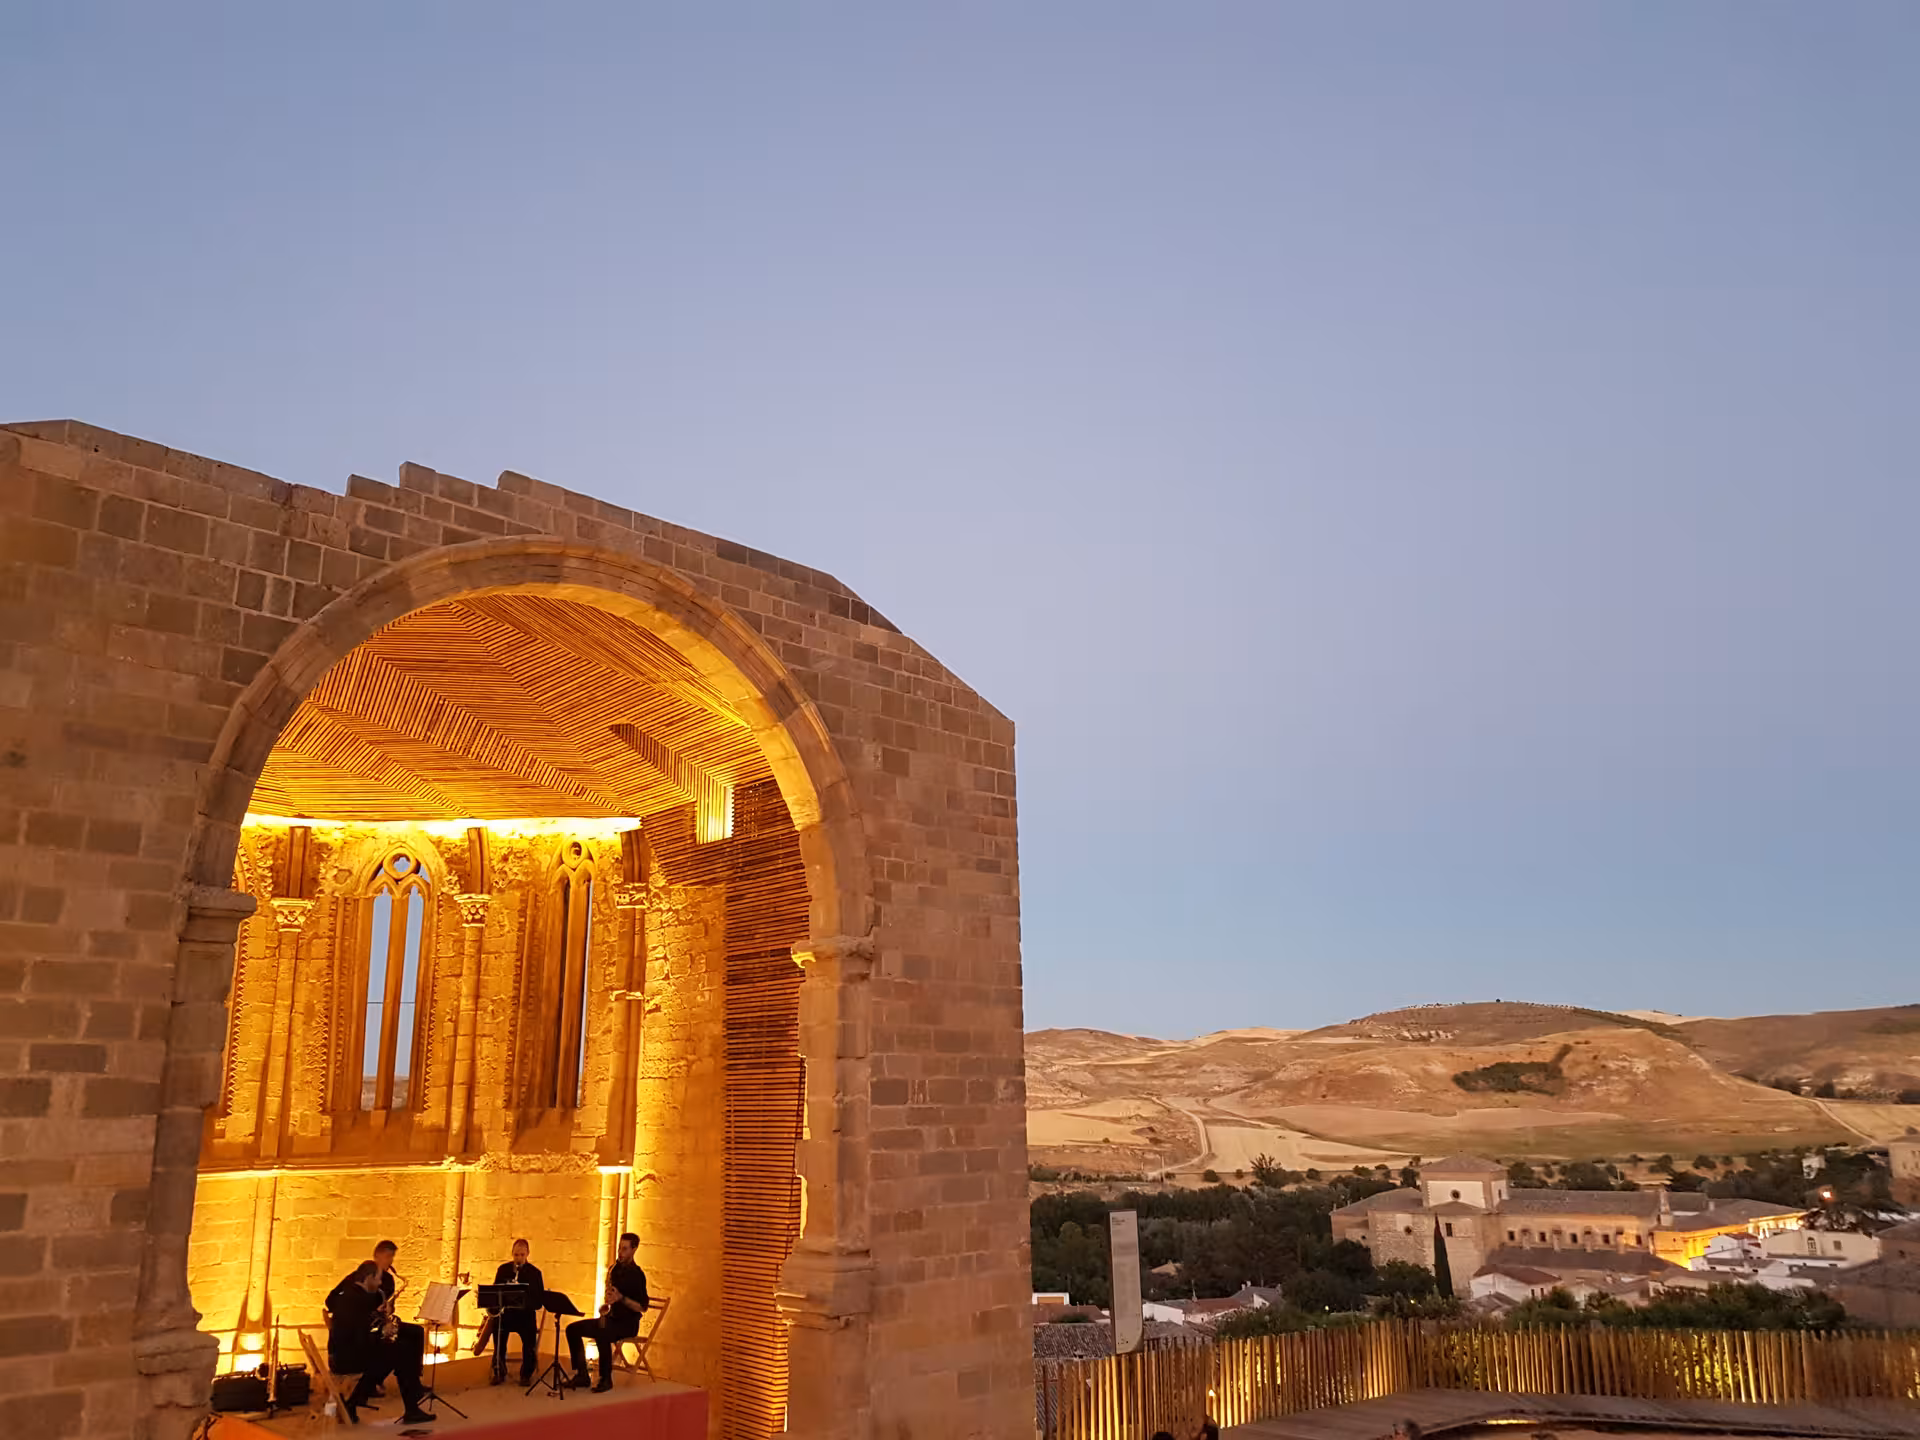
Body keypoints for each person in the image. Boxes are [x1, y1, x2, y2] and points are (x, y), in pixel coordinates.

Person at [325, 1261, 434, 1425]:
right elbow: (354, 1334)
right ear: (368, 1278)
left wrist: (376, 1315)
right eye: (377, 1279)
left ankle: (357, 1400)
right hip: (346, 1358)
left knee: (397, 1348)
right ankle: (410, 1408)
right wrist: (382, 1332)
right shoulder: (352, 1299)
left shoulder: (352, 1295)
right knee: (400, 1350)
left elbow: (358, 1324)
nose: (380, 1283)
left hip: (349, 1350)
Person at [566, 1232, 649, 1393]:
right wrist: (608, 1300)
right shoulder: (615, 1269)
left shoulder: (637, 1275)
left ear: (634, 1250)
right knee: (572, 1329)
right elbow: (610, 1293)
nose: (620, 1252)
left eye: (624, 1249)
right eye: (619, 1248)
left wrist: (621, 1298)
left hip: (628, 1323)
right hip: (612, 1318)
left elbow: (642, 1307)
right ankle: (582, 1374)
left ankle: (606, 1379)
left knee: (603, 1332)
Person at [481, 1238, 544, 1386]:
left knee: (529, 1341)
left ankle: (526, 1374)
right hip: (506, 1315)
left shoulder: (535, 1273)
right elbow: (495, 1293)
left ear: (528, 1254)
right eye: (516, 1255)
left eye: (522, 1255)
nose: (519, 1259)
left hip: (525, 1316)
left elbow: (538, 1302)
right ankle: (499, 1370)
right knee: (498, 1332)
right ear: (512, 1254)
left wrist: (523, 1300)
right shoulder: (503, 1270)